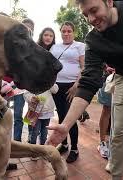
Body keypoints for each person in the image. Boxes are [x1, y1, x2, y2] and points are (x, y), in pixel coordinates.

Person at [47, 0, 123, 179]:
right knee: (118, 133)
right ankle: (116, 176)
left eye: (94, 10)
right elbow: (88, 82)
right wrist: (66, 125)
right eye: (85, 14)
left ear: (109, 2)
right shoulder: (94, 41)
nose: (90, 19)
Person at [49, 21, 85, 163]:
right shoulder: (54, 47)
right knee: (62, 116)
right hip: (56, 87)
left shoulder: (80, 46)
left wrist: (77, 85)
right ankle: (64, 144)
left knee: (71, 118)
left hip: (71, 87)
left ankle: (74, 148)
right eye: (63, 31)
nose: (66, 34)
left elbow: (83, 67)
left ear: (73, 32)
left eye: (69, 31)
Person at [13, 18, 35, 142]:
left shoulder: (34, 47)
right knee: (15, 115)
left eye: (29, 29)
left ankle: (26, 140)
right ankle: (15, 142)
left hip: (28, 87)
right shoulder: (13, 44)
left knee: (29, 114)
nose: (27, 30)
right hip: (12, 86)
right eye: (24, 27)